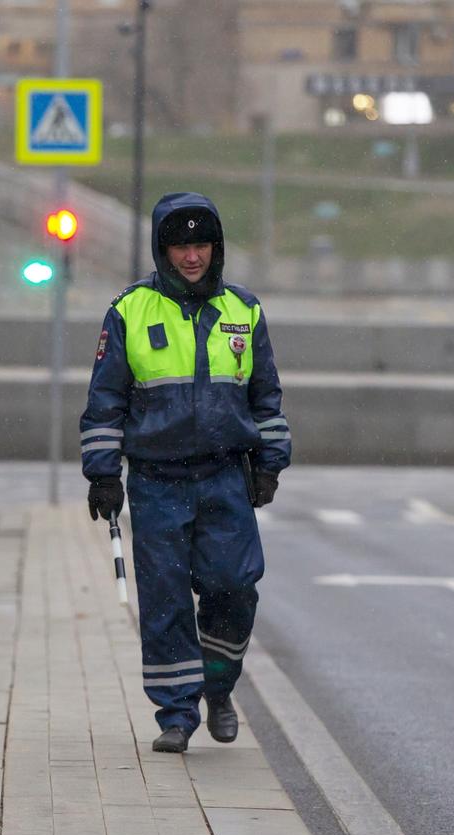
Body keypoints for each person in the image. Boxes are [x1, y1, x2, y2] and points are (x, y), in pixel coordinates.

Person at [79, 191, 291, 753]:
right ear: (162, 249)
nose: (191, 257)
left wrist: (270, 464)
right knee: (166, 600)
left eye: (200, 244)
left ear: (215, 248)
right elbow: (106, 402)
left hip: (225, 478)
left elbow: (266, 397)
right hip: (156, 483)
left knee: (235, 587)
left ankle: (219, 689)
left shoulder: (245, 311)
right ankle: (176, 715)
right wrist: (103, 473)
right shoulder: (128, 311)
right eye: (180, 246)